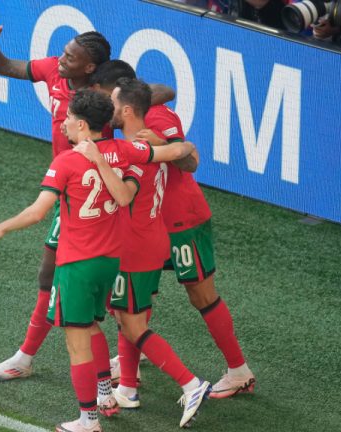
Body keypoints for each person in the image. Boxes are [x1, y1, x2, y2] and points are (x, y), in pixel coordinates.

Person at [0, 10, 176, 380]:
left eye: (71, 56)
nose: (62, 58)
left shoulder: (101, 97)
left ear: (91, 69)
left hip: (96, 190)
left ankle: (120, 361)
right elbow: (3, 67)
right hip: (69, 185)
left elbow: (164, 92)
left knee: (100, 285)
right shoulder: (55, 70)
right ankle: (30, 357)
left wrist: (124, 100)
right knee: (56, 273)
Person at [0, 89, 196, 432]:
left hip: (77, 263)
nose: (64, 123)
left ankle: (88, 419)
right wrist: (179, 144)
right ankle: (103, 393)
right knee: (92, 326)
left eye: (68, 118)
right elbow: (174, 151)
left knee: (76, 342)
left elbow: (39, 212)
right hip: (110, 261)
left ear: (83, 125)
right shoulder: (125, 150)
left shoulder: (66, 161)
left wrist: (3, 226)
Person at [88, 60, 255, 401]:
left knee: (201, 295)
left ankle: (239, 370)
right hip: (148, 225)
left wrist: (161, 144)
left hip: (181, 221)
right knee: (133, 300)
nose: (106, 108)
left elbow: (190, 162)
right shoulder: (124, 118)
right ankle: (129, 381)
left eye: (107, 99)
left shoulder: (158, 117)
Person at [76, 78, 213, 428]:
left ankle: (190, 383)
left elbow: (122, 195)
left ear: (126, 110)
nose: (109, 107)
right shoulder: (147, 144)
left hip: (133, 247)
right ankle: (129, 388)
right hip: (151, 240)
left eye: (114, 102)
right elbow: (185, 153)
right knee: (129, 316)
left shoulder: (130, 150)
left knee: (132, 324)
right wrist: (174, 142)